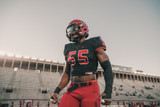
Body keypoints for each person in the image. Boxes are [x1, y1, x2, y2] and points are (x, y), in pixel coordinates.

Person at [50, 19, 113, 107]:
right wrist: (56, 91)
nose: (71, 33)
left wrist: (108, 91)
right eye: (69, 31)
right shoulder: (68, 48)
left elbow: (107, 66)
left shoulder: (94, 42)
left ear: (82, 28)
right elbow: (67, 73)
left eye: (73, 29)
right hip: (73, 88)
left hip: (90, 89)